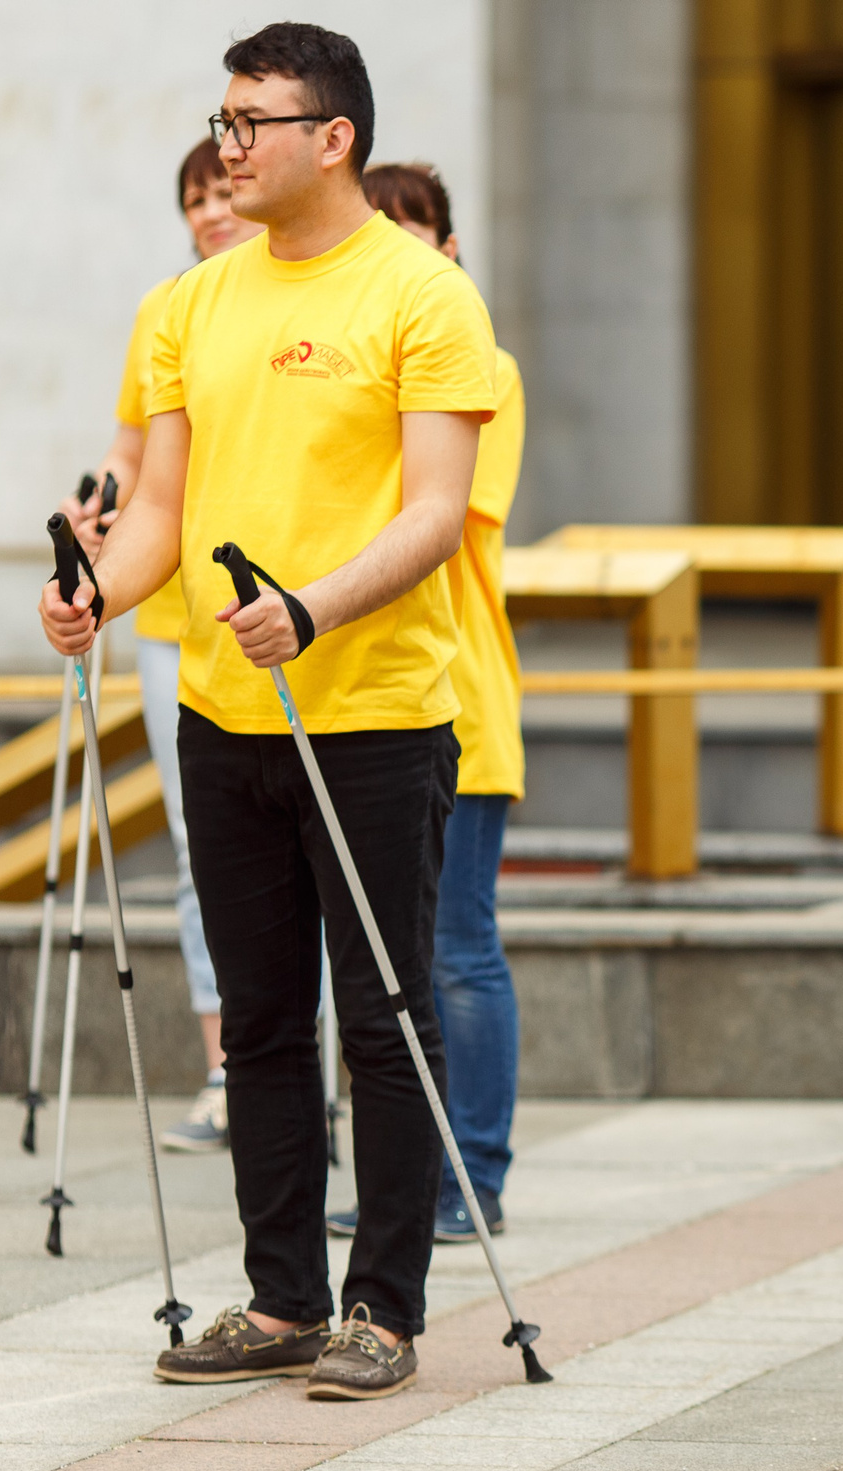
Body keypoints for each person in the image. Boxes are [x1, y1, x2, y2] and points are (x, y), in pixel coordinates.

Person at [38, 22, 496, 1398]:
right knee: (257, 1018)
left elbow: (433, 513)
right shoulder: (189, 305)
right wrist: (97, 595)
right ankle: (283, 1294)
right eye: (222, 120)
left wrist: (313, 605)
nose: (226, 147)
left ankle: (387, 1305)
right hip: (226, 713)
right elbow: (163, 514)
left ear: (331, 138)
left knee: (385, 1012)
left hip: (372, 706)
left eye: (253, 123)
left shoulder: (420, 297)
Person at [325, 162, 526, 1243]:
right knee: (382, 965)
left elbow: (436, 509)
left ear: (446, 249)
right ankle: (412, 1178)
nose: (396, 247)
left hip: (455, 696)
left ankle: (474, 1174)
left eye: (415, 229)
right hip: (350, 691)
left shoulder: (479, 360)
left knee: (457, 949)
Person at [59, 139, 249, 1154]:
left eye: (224, 188)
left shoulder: (287, 299)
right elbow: (133, 454)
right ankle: (231, 1072)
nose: (212, 208)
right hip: (174, 620)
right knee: (198, 853)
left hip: (275, 611)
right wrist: (89, 505)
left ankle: (301, 1068)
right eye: (195, 196)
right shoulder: (164, 310)